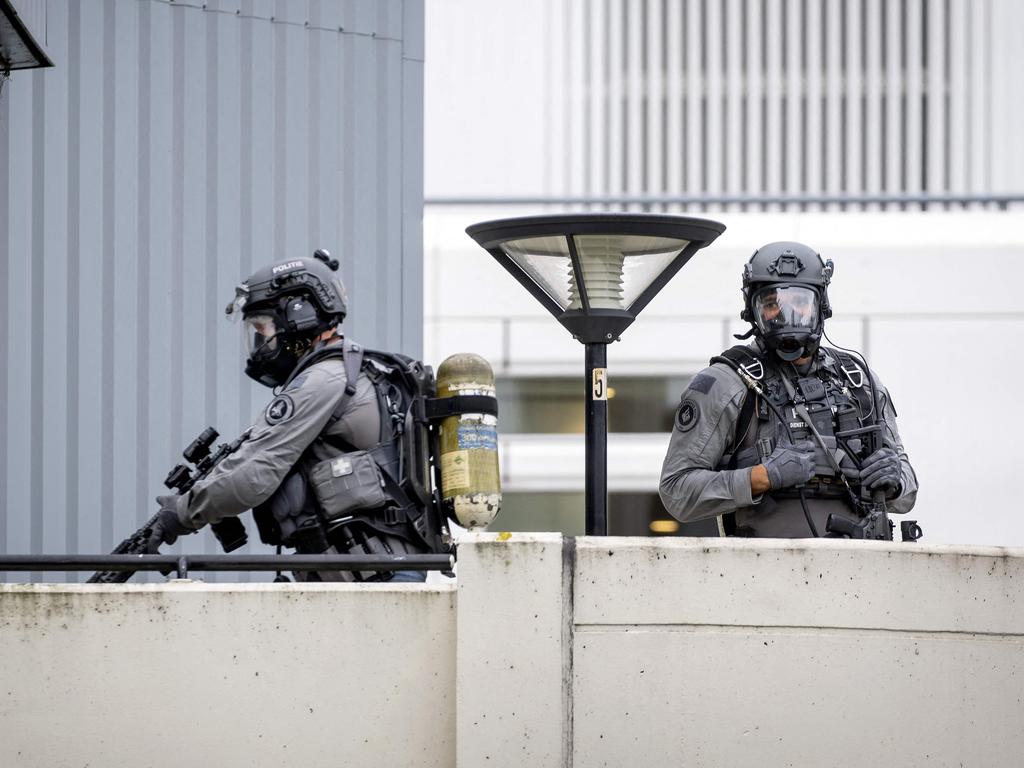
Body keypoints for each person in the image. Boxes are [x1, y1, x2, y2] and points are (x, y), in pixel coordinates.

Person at [145, 249, 441, 581]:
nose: (260, 341)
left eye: (264, 328)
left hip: (375, 581)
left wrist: (180, 513)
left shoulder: (323, 380)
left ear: (299, 316)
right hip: (374, 576)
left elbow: (253, 472)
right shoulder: (346, 373)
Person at [659, 241, 918, 539]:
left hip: (859, 571)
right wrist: (761, 478)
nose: (787, 314)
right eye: (772, 304)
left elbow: (908, 490)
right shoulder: (726, 383)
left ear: (820, 306)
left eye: (800, 302)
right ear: (752, 310)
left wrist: (895, 480)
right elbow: (676, 491)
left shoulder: (858, 381)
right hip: (763, 574)